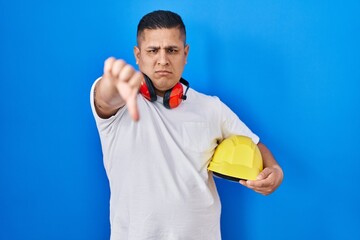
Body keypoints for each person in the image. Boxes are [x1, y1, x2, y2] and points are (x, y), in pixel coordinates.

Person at [90, 10, 283, 240]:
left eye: (172, 50)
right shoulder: (120, 104)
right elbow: (105, 98)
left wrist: (276, 171)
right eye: (153, 51)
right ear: (138, 55)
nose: (163, 60)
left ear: (186, 53)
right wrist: (112, 83)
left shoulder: (212, 108)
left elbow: (254, 144)